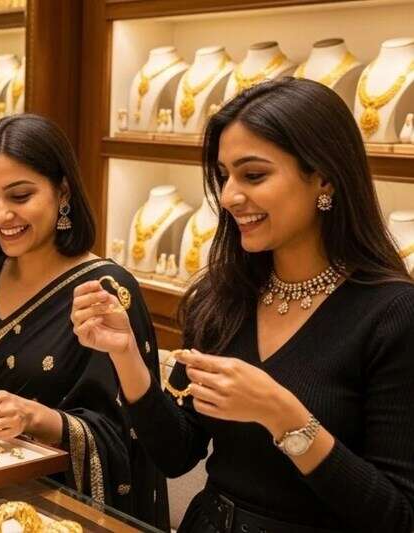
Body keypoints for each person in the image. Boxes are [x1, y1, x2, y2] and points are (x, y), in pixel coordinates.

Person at [73, 78, 414, 532]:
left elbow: (398, 516)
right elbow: (176, 453)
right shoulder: (222, 298)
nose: (229, 196)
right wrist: (126, 355)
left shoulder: (393, 314)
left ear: (324, 177)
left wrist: (283, 415)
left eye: (253, 175)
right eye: (224, 176)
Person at [0, 114, 169, 529]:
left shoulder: (105, 290)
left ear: (63, 191)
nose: (1, 215)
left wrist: (35, 417)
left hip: (66, 509)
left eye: (20, 196)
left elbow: (128, 434)